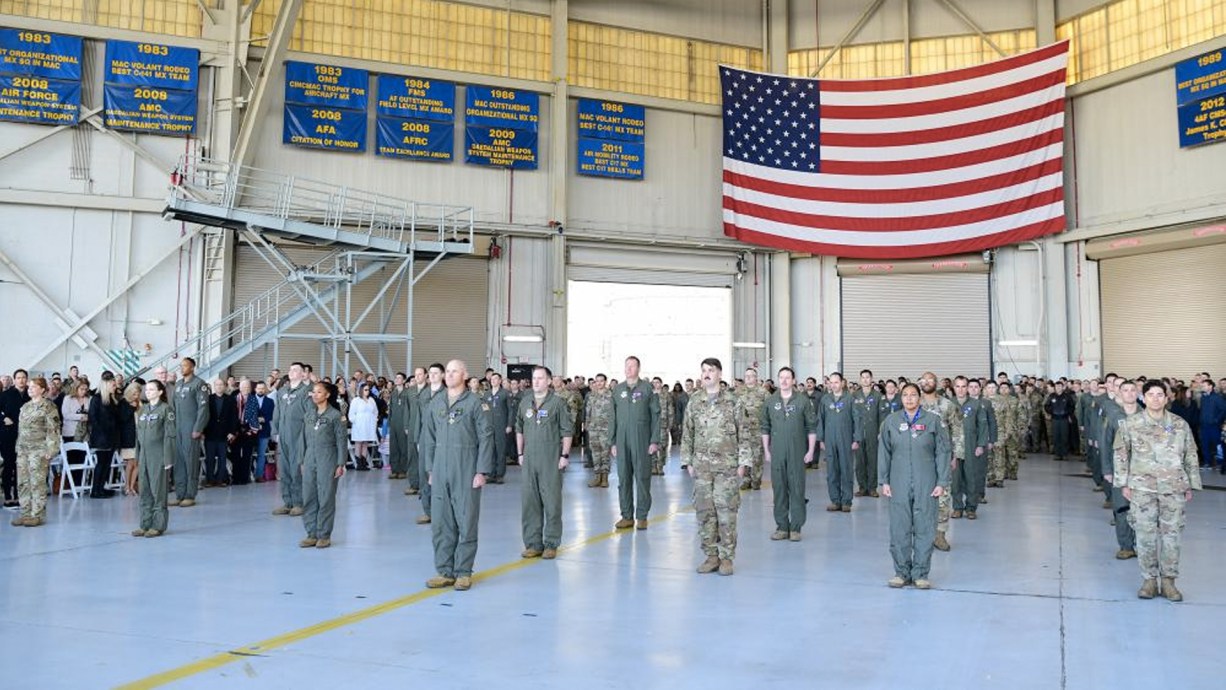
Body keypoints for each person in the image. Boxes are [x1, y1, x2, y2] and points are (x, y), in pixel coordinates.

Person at [1113, 380, 1201, 601]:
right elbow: (1121, 455)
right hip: (1142, 489)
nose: (1155, 398)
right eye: (1150, 394)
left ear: (1167, 397)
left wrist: (1191, 484)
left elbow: (1190, 454)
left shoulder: (1180, 424)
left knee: (1172, 536)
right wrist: (1124, 483)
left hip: (1174, 489)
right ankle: (1149, 580)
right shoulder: (1130, 424)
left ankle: (1169, 582)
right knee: (1145, 536)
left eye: (1159, 394)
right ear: (1144, 397)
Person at [421, 360, 495, 591]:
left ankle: (463, 571)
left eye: (455, 371)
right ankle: (444, 570)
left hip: (466, 468)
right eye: (448, 371)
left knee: (466, 520)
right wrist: (430, 469)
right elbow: (429, 438)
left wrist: (481, 471)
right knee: (442, 522)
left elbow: (486, 437)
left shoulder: (476, 404)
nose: (450, 375)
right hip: (441, 468)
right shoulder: (437, 402)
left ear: (465, 374)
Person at [681, 358, 753, 575]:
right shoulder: (695, 401)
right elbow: (687, 432)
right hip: (702, 467)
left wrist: (744, 462)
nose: (706, 374)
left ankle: (727, 557)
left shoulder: (733, 401)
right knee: (705, 512)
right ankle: (711, 555)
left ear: (720, 374)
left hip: (727, 467)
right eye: (703, 370)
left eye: (710, 370)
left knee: (726, 513)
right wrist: (688, 461)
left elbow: (745, 433)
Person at [879, 382, 952, 589]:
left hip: (926, 480)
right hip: (898, 480)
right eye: (905, 395)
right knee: (900, 528)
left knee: (925, 528)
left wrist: (942, 481)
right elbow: (883, 452)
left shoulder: (933, 421)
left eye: (913, 395)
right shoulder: (891, 421)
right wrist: (883, 480)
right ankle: (901, 573)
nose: (909, 399)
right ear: (901, 398)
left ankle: (920, 573)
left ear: (919, 398)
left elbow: (943, 452)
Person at [515, 366, 574, 560]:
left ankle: (551, 543)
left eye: (540, 378)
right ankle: (533, 543)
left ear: (549, 381)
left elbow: (567, 431)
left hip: (551, 459)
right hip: (530, 458)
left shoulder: (557, 403)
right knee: (530, 502)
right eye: (534, 378)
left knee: (552, 502)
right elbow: (519, 428)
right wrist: (520, 453)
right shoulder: (525, 403)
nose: (536, 381)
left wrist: (564, 456)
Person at [760, 367, 819, 542]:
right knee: (779, 490)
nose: (784, 381)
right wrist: (767, 451)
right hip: (777, 452)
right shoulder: (770, 402)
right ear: (778, 380)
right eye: (781, 377)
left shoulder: (802, 401)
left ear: (793, 380)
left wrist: (810, 451)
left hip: (797, 452)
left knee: (797, 489)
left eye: (788, 378)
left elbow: (811, 428)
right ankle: (781, 527)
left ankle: (796, 528)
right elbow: (765, 428)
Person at [609, 356, 661, 530]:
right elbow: (612, 417)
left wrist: (654, 440)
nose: (629, 369)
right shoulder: (618, 390)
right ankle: (626, 516)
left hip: (642, 439)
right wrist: (613, 442)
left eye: (632, 366)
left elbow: (656, 416)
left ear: (638, 368)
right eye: (627, 366)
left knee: (642, 478)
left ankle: (642, 516)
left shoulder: (647, 389)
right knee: (623, 478)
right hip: (622, 439)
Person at [300, 382, 348, 549]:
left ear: (327, 395)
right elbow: (303, 439)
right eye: (313, 392)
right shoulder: (309, 414)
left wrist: (341, 463)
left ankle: (324, 534)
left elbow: (342, 440)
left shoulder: (336, 416)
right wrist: (302, 460)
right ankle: (311, 533)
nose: (315, 395)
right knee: (309, 495)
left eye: (319, 392)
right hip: (310, 457)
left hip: (328, 457)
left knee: (326, 496)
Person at [918, 371, 960, 551]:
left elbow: (958, 430)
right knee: (920, 496)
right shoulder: (913, 403)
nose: (927, 382)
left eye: (931, 380)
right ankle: (922, 533)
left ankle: (940, 534)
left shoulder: (947, 405)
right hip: (918, 458)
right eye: (924, 380)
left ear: (936, 383)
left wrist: (956, 455)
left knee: (943, 496)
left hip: (942, 457)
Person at [11, 377, 60, 527]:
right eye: (29, 386)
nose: (30, 389)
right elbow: (21, 429)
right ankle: (25, 513)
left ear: (43, 389)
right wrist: (18, 447)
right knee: (23, 483)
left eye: (33, 387)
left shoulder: (48, 407)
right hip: (23, 450)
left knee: (37, 483)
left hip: (39, 450)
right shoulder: (25, 406)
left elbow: (53, 430)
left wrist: (51, 450)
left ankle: (37, 515)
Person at [1100, 378, 1139, 559]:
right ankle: (1126, 546)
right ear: (1120, 394)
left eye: (1133, 390)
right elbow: (1105, 443)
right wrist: (1107, 470)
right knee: (1122, 509)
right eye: (1126, 390)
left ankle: (1142, 544)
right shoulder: (1114, 416)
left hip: (1143, 472)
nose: (1130, 393)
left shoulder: (1146, 415)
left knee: (1142, 510)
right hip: (1120, 471)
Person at [134, 381, 175, 537]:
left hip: (158, 456)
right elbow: (137, 435)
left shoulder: (166, 410)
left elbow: (170, 436)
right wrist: (138, 455)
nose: (148, 392)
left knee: (158, 492)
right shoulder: (142, 410)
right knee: (144, 490)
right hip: (144, 455)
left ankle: (158, 526)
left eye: (152, 389)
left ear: (160, 392)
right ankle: (145, 524)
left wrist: (168, 459)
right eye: (147, 389)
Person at [272, 362, 311, 517]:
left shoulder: (306, 392)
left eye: (296, 370)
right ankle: (287, 502)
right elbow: (277, 412)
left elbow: (309, 415)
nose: (292, 371)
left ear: (303, 374)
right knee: (284, 468)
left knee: (296, 469)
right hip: (283, 434)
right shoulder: (282, 391)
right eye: (290, 369)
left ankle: (298, 502)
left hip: (298, 435)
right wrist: (275, 431)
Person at [819, 372, 862, 513]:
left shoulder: (850, 399)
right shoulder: (825, 399)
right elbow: (821, 419)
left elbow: (857, 419)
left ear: (842, 383)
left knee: (846, 470)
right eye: (831, 382)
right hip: (830, 438)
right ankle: (835, 500)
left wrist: (856, 439)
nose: (833, 385)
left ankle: (846, 501)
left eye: (836, 382)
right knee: (832, 471)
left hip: (846, 438)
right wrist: (821, 438)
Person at [949, 376, 989, 520]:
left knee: (972, 478)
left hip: (971, 447)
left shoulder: (976, 404)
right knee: (955, 480)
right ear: (954, 388)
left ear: (967, 388)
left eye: (963, 386)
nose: (961, 389)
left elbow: (983, 426)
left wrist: (980, 445)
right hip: (953, 449)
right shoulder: (948, 404)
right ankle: (957, 507)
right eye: (958, 386)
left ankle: (971, 508)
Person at [173, 358, 210, 507]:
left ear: (193, 367)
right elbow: (173, 407)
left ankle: (190, 494)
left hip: (191, 428)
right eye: (180, 366)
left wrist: (198, 428)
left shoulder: (199, 384)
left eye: (185, 365)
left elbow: (203, 408)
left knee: (190, 461)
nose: (182, 368)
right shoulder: (178, 385)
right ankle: (179, 494)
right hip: (178, 428)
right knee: (179, 461)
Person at [414, 363, 446, 523]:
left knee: (440, 475)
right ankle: (428, 511)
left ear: (443, 375)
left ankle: (441, 511)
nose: (432, 376)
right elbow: (418, 418)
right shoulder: (424, 394)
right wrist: (417, 439)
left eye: (436, 373)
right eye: (431, 373)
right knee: (424, 474)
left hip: (442, 440)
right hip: (425, 439)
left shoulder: (447, 394)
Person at [88, 372, 123, 499]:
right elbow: (92, 417)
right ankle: (95, 490)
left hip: (111, 437)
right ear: (107, 385)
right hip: (101, 437)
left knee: (107, 464)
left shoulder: (112, 400)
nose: (115, 387)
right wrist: (102, 432)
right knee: (101, 463)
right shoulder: (97, 399)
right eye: (113, 385)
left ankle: (101, 487)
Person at [0, 368, 31, 507]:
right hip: (8, 435)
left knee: (22, 467)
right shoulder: (6, 394)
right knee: (8, 465)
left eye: (24, 377)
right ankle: (7, 496)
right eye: (18, 377)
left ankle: (19, 496)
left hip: (25, 436)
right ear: (14, 380)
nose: (21, 380)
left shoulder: (30, 395)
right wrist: (3, 418)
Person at [736, 368, 768, 490]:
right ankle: (745, 479)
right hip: (743, 431)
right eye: (747, 376)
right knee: (744, 456)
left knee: (757, 456)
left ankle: (756, 480)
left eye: (752, 375)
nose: (749, 378)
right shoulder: (738, 392)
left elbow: (768, 411)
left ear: (756, 377)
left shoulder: (763, 392)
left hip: (757, 430)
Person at [203, 378, 238, 487]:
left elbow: (234, 417)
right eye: (217, 385)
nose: (219, 386)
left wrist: (232, 432)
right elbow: (203, 416)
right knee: (210, 458)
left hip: (224, 433)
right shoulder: (209, 399)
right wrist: (202, 431)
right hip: (210, 433)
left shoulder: (231, 399)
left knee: (223, 458)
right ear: (214, 386)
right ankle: (210, 480)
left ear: (225, 386)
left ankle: (221, 479)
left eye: (221, 384)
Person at [853, 369, 883, 498]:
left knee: (872, 460)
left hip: (872, 431)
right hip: (858, 433)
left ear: (871, 379)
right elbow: (851, 416)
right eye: (863, 377)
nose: (865, 379)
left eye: (867, 377)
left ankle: (872, 488)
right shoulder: (854, 395)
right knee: (860, 461)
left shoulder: (877, 396)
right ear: (860, 380)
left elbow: (881, 416)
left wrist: (880, 432)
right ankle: (862, 487)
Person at [584, 373, 614, 489]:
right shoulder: (591, 395)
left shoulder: (611, 395)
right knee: (595, 453)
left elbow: (614, 413)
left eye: (601, 381)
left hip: (606, 429)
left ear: (605, 382)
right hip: (593, 428)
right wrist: (586, 424)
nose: (599, 383)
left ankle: (605, 478)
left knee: (605, 453)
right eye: (597, 381)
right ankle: (597, 477)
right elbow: (588, 411)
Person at [483, 372, 512, 484]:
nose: (493, 381)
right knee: (490, 450)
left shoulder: (505, 393)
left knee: (500, 450)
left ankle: (500, 474)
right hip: (489, 426)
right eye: (492, 379)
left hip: (501, 425)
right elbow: (484, 410)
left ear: (500, 381)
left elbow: (510, 411)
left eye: (496, 379)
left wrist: (509, 425)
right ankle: (491, 474)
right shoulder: (487, 394)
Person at [387, 373, 413, 481]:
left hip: (403, 423)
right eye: (396, 378)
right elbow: (391, 409)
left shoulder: (407, 393)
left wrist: (407, 424)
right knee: (393, 447)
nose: (397, 379)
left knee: (403, 447)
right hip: (394, 423)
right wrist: (389, 421)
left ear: (403, 380)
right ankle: (394, 469)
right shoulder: (393, 393)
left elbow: (410, 410)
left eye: (399, 378)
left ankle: (403, 470)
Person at [348, 383, 378, 471]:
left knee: (365, 443)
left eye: (368, 390)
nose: (367, 391)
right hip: (359, 424)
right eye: (365, 390)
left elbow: (375, 411)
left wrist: (374, 420)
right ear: (361, 390)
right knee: (359, 442)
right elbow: (351, 413)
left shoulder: (371, 400)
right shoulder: (356, 400)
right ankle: (358, 463)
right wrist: (355, 421)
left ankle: (364, 463)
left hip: (369, 424)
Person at [1196, 377, 1225, 470]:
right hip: (1204, 426)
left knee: (1218, 445)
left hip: (1214, 426)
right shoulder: (1203, 398)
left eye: (1204, 385)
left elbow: (1224, 410)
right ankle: (1207, 462)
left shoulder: (1217, 398)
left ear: (1210, 386)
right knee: (1204, 444)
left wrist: (1217, 420)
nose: (1202, 387)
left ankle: (1221, 463)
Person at [1044, 380, 1075, 461]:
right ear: (1055, 387)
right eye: (1057, 386)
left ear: (1063, 387)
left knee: (1065, 436)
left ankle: (1064, 454)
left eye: (1060, 386)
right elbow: (1046, 406)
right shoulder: (1051, 396)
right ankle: (1057, 454)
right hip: (1055, 419)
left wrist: (1067, 413)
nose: (1058, 388)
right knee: (1056, 436)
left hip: (1064, 419)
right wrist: (1052, 412)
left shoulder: (1067, 396)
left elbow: (1072, 406)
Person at [120, 382, 141, 496]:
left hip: (139, 435)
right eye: (134, 393)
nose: (136, 396)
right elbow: (123, 418)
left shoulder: (140, 403)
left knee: (138, 462)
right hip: (128, 436)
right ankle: (127, 486)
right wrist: (132, 407)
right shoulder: (123, 403)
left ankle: (133, 486)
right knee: (130, 462)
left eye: (138, 393)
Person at [252, 381, 275, 482]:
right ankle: (248, 475)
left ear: (265, 389)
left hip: (264, 431)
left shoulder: (270, 401)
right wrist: (255, 419)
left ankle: (259, 475)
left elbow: (272, 415)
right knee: (249, 454)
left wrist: (264, 419)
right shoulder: (250, 400)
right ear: (255, 389)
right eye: (259, 388)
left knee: (261, 454)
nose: (261, 390)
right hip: (251, 431)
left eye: (262, 388)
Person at [650, 377, 674, 476]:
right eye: (654, 383)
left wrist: (670, 424)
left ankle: (660, 466)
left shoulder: (666, 396)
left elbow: (671, 410)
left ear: (661, 383)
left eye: (658, 382)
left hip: (663, 423)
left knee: (663, 446)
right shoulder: (650, 395)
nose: (656, 384)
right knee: (652, 445)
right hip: (651, 424)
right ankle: (653, 466)